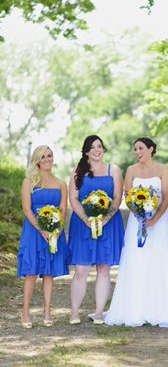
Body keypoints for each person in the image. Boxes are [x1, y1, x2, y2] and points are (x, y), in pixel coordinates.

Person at [104, 137, 168, 327]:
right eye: (135, 149)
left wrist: (154, 218)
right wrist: (139, 215)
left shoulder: (163, 169)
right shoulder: (131, 170)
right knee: (137, 260)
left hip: (160, 223)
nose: (137, 152)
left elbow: (166, 198)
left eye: (141, 148)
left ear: (151, 149)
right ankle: (136, 307)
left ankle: (165, 307)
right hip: (136, 222)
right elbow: (128, 197)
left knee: (161, 260)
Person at [67, 135, 125, 325]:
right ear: (86, 151)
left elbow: (117, 197)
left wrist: (106, 218)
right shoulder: (78, 171)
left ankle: (99, 312)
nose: (97, 150)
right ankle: (74, 312)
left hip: (108, 224)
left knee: (103, 268)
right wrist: (86, 218)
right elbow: (73, 198)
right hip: (83, 224)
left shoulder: (113, 170)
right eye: (92, 147)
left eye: (99, 146)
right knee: (82, 269)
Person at [17, 145, 69, 328]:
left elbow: (63, 209)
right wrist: (41, 229)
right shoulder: (29, 182)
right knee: (31, 272)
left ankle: (47, 312)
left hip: (54, 232)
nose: (47, 159)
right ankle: (25, 313)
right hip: (33, 231)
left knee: (48, 273)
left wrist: (56, 228)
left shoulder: (61, 183)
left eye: (50, 155)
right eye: (43, 156)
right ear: (37, 160)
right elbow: (26, 208)